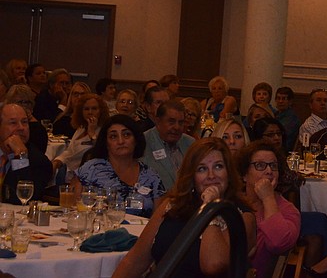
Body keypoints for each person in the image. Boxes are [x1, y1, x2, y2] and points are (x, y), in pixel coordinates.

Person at [113, 137, 257, 278]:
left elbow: (213, 265)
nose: (211, 175)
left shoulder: (241, 216)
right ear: (192, 176)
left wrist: (210, 207)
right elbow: (133, 261)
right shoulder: (172, 206)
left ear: (229, 173)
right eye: (202, 169)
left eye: (218, 166)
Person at [72, 114, 165, 217]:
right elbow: (74, 212)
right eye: (113, 136)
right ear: (106, 143)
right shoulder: (90, 170)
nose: (121, 141)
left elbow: (158, 220)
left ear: (136, 140)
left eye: (126, 135)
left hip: (139, 232)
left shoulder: (151, 177)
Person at [237, 141, 300, 278]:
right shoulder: (233, 203)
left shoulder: (288, 210)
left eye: (273, 166)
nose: (269, 171)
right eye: (260, 165)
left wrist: (268, 198)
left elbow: (279, 243)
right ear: (244, 175)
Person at [0, 103, 52, 204]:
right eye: (13, 123)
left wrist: (21, 157)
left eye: (24, 122)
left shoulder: (39, 162)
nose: (21, 128)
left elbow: (20, 200)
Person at [52, 92, 109, 182]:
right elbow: (70, 151)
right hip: (69, 171)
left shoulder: (105, 130)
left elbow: (101, 153)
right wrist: (57, 161)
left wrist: (92, 133)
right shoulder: (81, 128)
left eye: (94, 108)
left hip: (88, 176)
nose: (90, 112)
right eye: (86, 109)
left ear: (101, 110)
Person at [142, 100, 195, 190]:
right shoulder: (143, 142)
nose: (177, 127)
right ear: (158, 121)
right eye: (171, 122)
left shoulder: (190, 143)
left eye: (181, 122)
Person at [4, 85, 48, 154]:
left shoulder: (38, 130)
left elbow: (33, 159)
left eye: (28, 102)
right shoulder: (4, 122)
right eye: (20, 102)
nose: (24, 105)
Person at [275, 86, 301, 152]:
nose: (280, 101)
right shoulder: (274, 114)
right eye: (278, 98)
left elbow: (284, 138)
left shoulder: (292, 119)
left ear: (290, 102)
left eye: (283, 99)